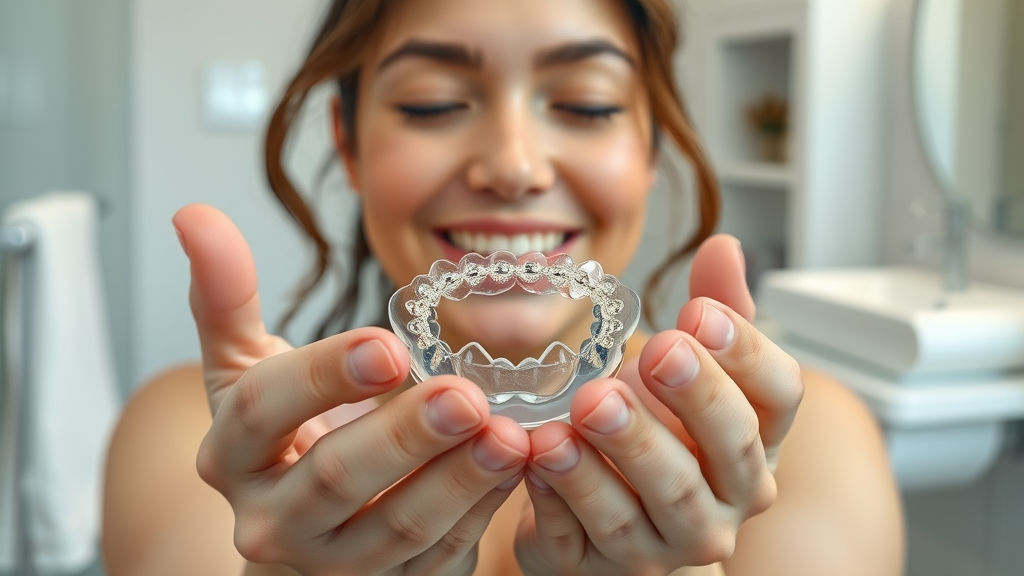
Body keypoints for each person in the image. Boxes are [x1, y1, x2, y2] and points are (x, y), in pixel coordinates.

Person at [102, 0, 904, 574]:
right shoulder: (191, 440)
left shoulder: (816, 444)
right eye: (435, 103)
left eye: (586, 106)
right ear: (348, 144)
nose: (515, 166)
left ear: (651, 148)